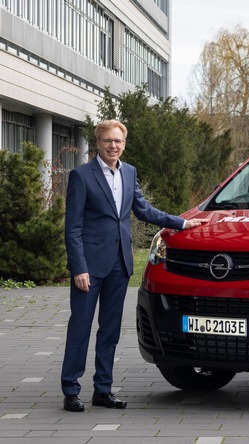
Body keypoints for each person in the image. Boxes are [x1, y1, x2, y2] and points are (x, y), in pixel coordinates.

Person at [62, 119, 209, 412]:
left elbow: (143, 210)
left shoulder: (129, 172)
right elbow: (73, 228)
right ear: (98, 143)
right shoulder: (81, 176)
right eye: (108, 141)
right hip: (89, 269)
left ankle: (103, 390)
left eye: (118, 141)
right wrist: (78, 267)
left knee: (110, 330)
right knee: (80, 329)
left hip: (119, 265)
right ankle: (71, 391)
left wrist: (181, 223)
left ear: (124, 144)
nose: (113, 146)